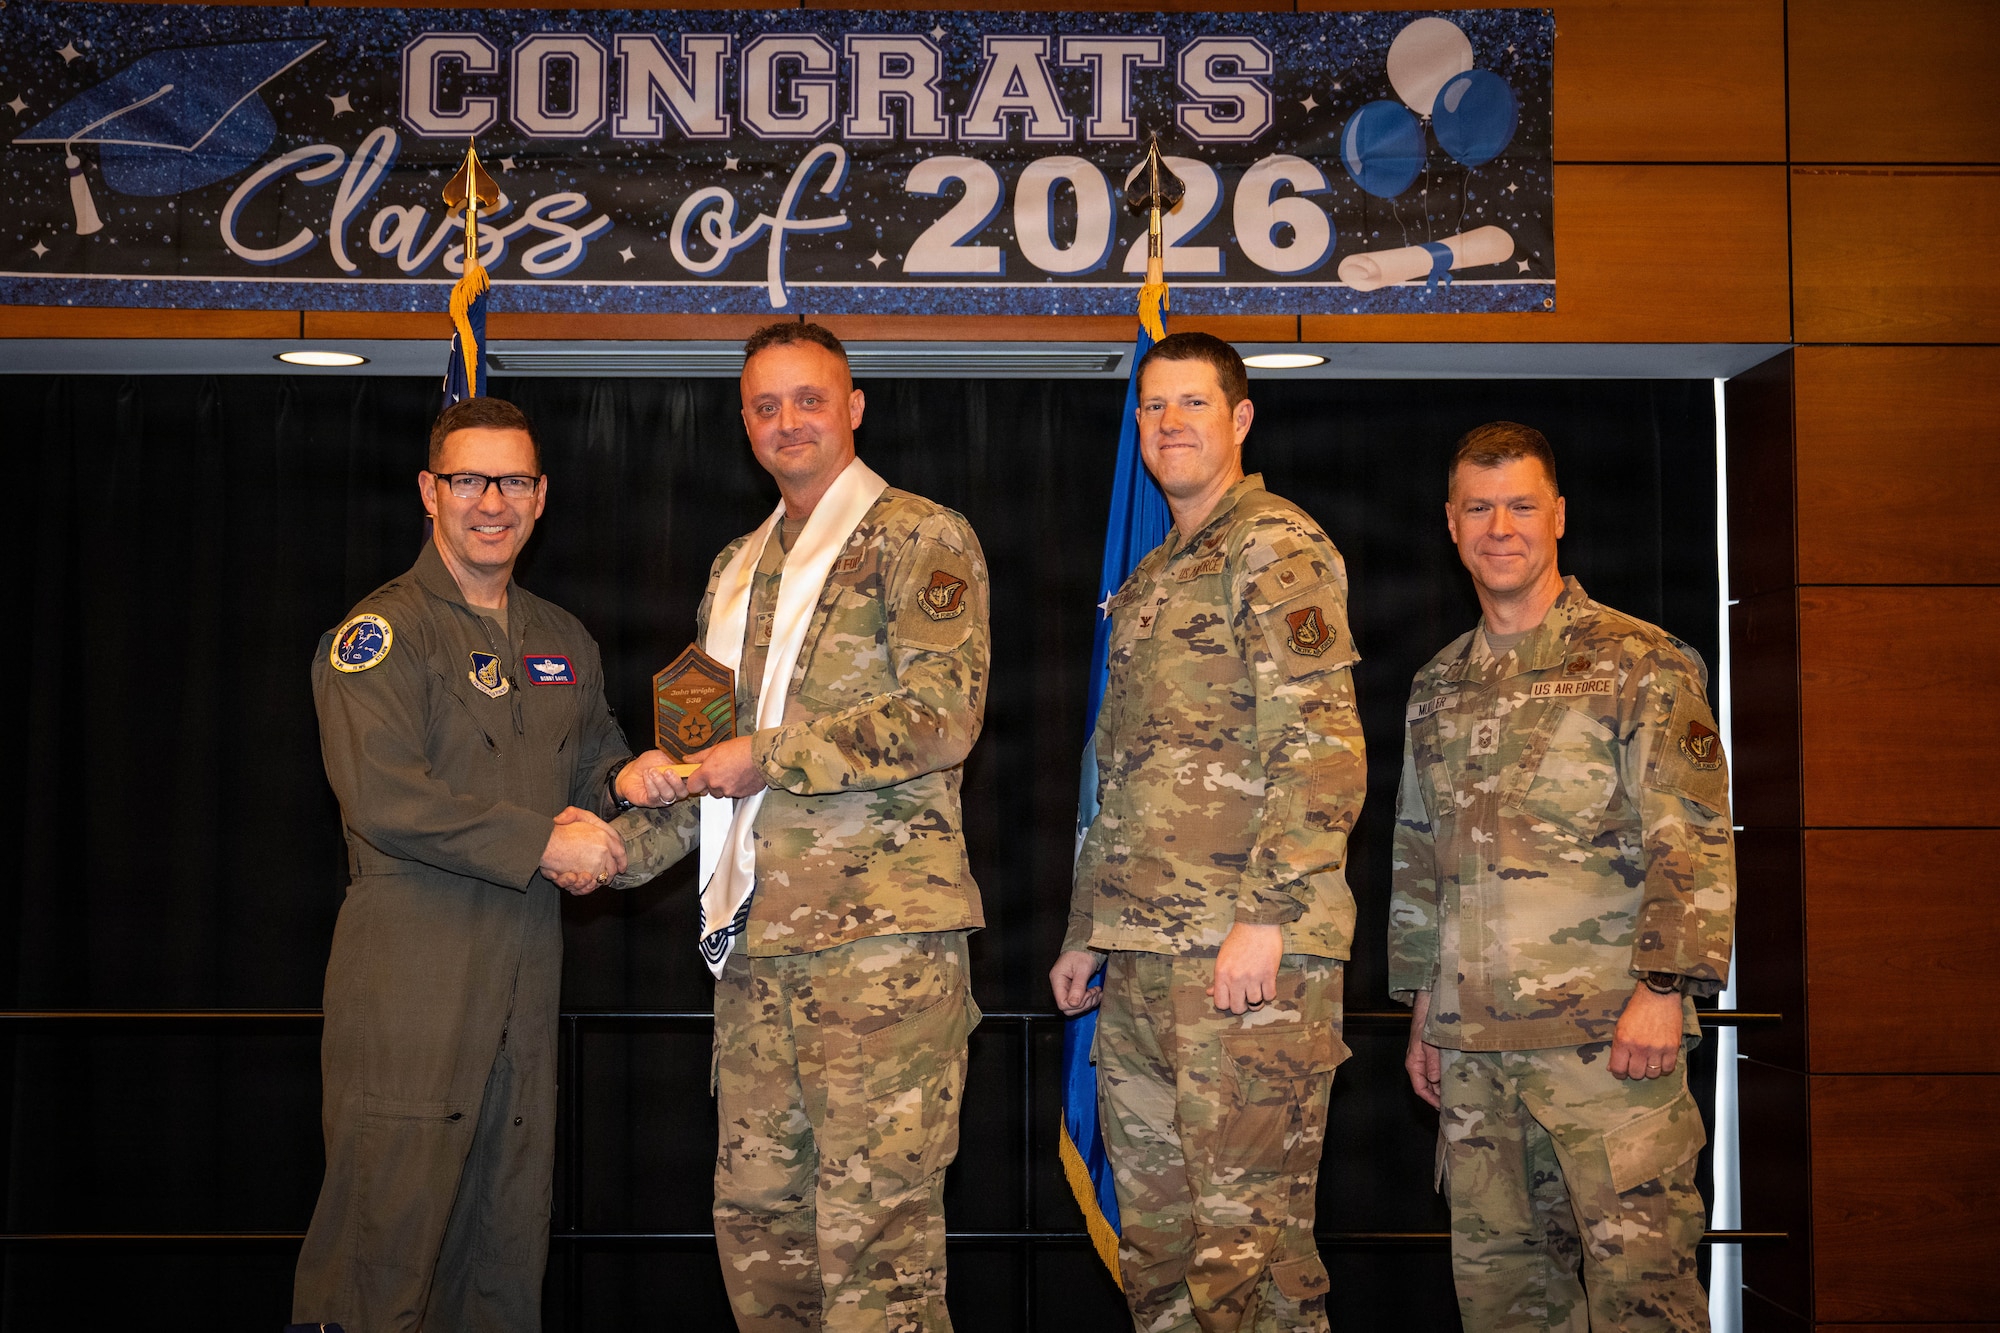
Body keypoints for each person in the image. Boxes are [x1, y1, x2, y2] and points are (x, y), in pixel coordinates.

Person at [610, 321, 991, 1333]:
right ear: (744, 422)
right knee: (759, 1230)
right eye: (765, 406)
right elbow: (705, 762)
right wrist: (618, 833)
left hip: (881, 958)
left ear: (852, 407)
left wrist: (768, 754)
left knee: (878, 1247)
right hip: (754, 957)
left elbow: (940, 716)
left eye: (808, 399)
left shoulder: (922, 537)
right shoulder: (734, 567)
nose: (788, 422)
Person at [293, 396, 673, 1331]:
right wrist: (547, 841)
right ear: (431, 491)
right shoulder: (379, 635)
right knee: (383, 1238)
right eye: (469, 478)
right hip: (412, 975)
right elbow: (386, 797)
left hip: (524, 975)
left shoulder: (560, 638)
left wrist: (642, 776)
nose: (490, 501)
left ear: (541, 498)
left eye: (512, 480)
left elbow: (594, 765)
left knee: (503, 1241)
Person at [1049, 331, 1366, 1333]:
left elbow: (1321, 750)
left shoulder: (1275, 546)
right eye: (1151, 407)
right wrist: (1083, 926)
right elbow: (1121, 772)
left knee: (1252, 1261)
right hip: (1143, 958)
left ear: (1238, 419)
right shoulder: (1149, 581)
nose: (1168, 423)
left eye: (1191, 404)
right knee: (1160, 1256)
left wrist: (1268, 919)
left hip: (1243, 963)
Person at [1389, 422, 1736, 1331]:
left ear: (1560, 517)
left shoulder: (1641, 661)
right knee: (1505, 1304)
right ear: (1451, 524)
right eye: (1478, 506)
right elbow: (1421, 855)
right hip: (1474, 1063)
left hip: (1609, 1051)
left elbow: (1692, 837)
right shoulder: (1438, 684)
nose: (1499, 526)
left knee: (1642, 1303)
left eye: (1521, 504)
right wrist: (1424, 1005)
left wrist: (1666, 985)